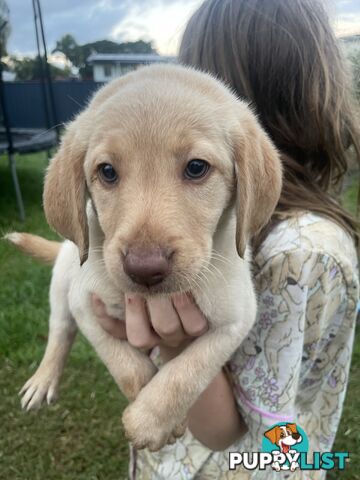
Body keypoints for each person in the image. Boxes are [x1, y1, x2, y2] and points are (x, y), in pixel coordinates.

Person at [92, 0, 360, 478]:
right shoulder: (237, 220)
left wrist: (173, 345)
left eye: (196, 168)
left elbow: (231, 433)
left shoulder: (301, 253)